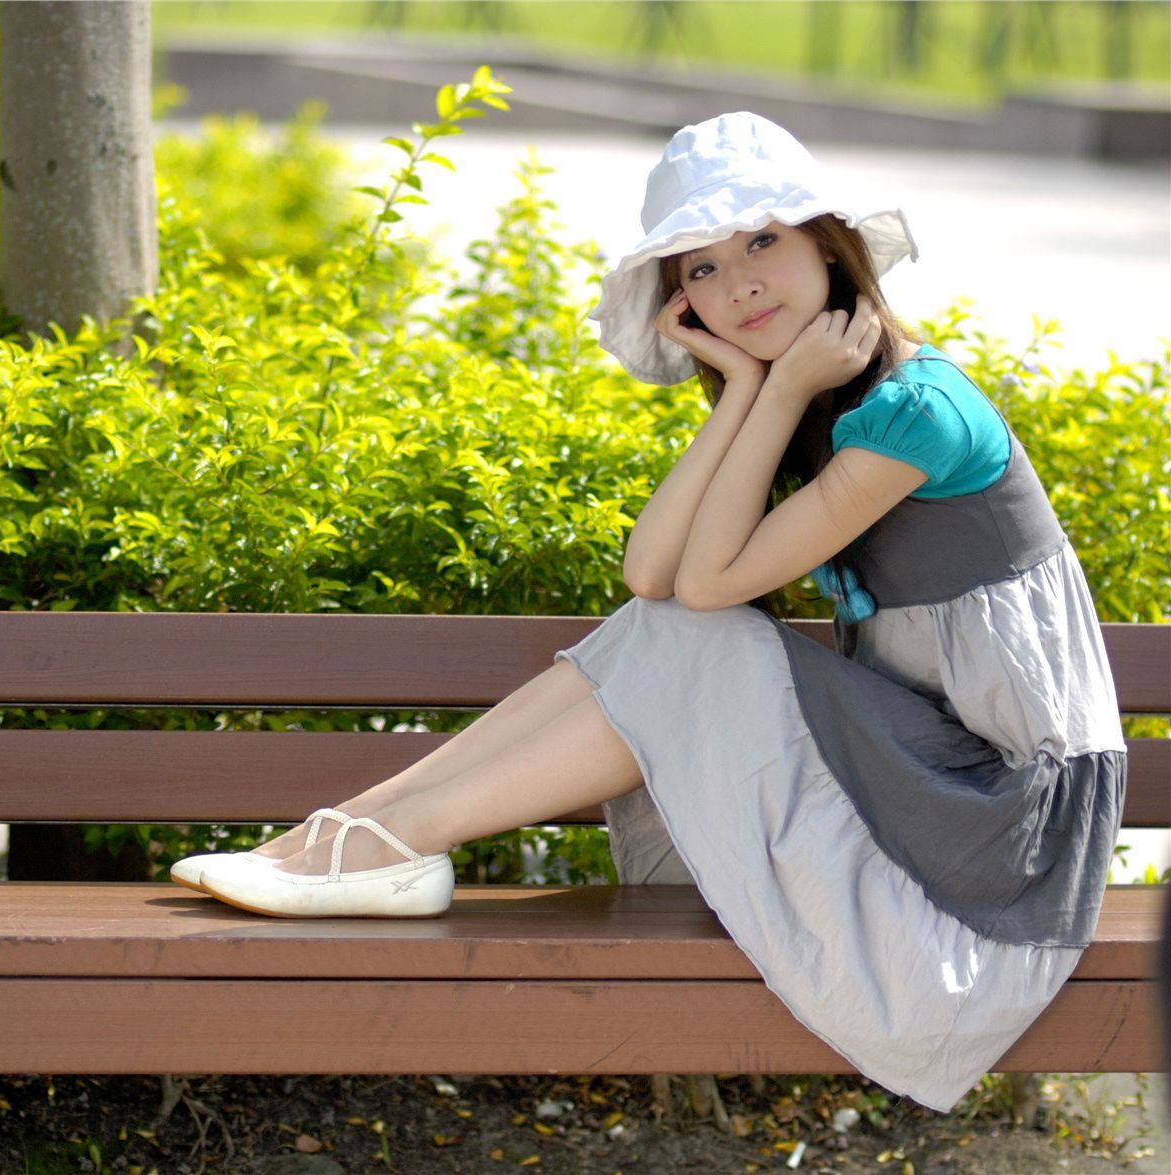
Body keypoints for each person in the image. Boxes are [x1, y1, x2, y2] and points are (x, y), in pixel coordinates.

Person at [171, 112, 1126, 1112]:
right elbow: (651, 572)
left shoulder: (917, 412)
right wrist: (747, 390)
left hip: (1000, 823)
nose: (736, 283)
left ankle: (381, 846)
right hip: (926, 770)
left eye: (761, 241)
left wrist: (776, 380)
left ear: (827, 247)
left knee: (695, 633)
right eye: (699, 268)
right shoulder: (818, 401)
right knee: (660, 627)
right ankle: (356, 830)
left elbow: (708, 588)